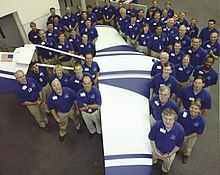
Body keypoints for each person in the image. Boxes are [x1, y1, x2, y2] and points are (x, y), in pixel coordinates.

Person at [148, 108, 185, 174]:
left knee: (166, 168)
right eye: (165, 118)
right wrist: (156, 151)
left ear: (174, 120)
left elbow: (178, 145)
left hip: (170, 153)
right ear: (162, 118)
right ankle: (154, 163)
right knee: (152, 161)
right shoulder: (157, 125)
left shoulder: (180, 130)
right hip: (156, 149)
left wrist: (169, 154)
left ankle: (164, 171)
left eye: (170, 119)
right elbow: (152, 139)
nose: (167, 121)